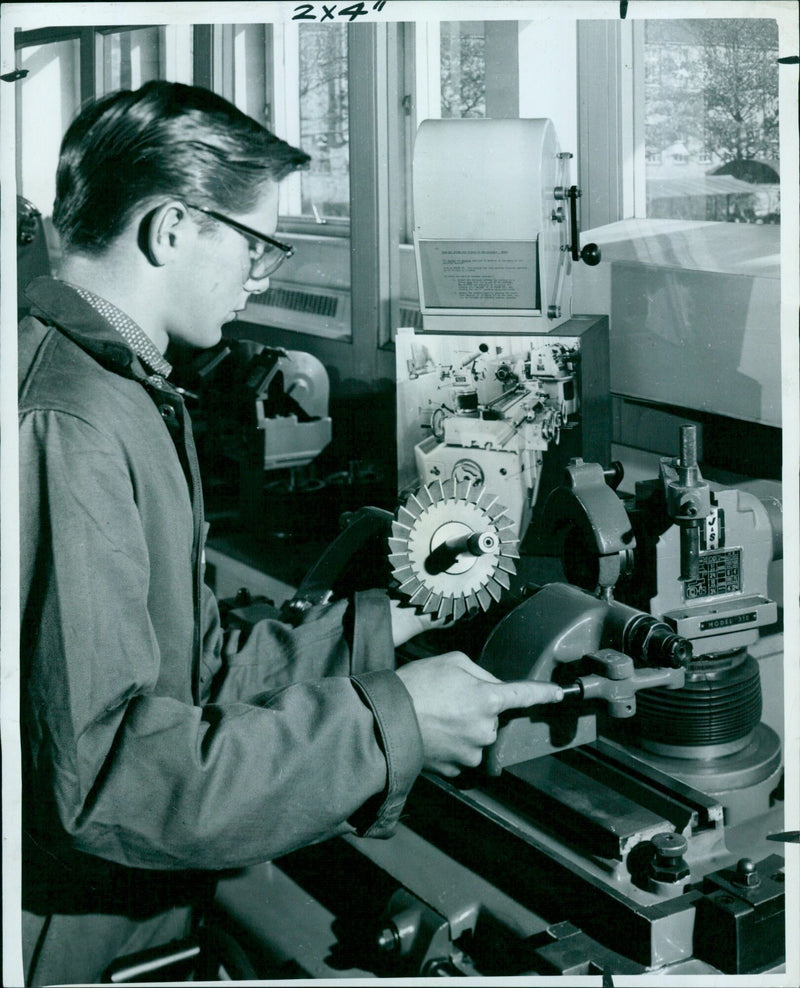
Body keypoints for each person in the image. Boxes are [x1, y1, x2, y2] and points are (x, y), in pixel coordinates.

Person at [17, 81, 563, 986]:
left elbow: (178, 671)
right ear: (172, 228)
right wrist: (396, 722)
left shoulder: (118, 384)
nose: (260, 277)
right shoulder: (71, 422)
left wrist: (372, 634)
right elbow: (109, 777)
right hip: (65, 936)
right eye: (258, 246)